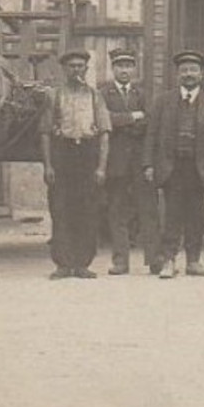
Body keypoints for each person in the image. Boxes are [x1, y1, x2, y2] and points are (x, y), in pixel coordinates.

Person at [141, 50, 204, 279]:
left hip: (200, 169)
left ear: (201, 73)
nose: (189, 74)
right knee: (172, 216)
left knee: (197, 217)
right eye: (184, 70)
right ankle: (169, 260)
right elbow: (152, 134)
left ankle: (193, 261)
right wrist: (148, 164)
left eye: (193, 70)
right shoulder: (164, 101)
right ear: (177, 74)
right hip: (172, 168)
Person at [41, 50, 112, 280]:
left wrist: (101, 167)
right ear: (64, 69)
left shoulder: (95, 96)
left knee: (87, 209)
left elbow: (104, 133)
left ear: (86, 69)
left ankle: (82, 263)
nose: (76, 70)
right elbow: (44, 133)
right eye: (71, 66)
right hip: (63, 153)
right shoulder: (54, 95)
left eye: (80, 66)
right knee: (60, 209)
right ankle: (63, 263)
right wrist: (48, 165)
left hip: (87, 154)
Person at [99, 48, 155, 275]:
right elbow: (105, 120)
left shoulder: (141, 94)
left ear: (134, 69)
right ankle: (120, 260)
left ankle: (154, 258)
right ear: (113, 69)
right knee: (117, 210)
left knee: (147, 209)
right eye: (120, 66)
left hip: (139, 160)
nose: (124, 70)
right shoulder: (103, 94)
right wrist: (132, 117)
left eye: (128, 66)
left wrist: (124, 122)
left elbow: (149, 120)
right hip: (115, 161)